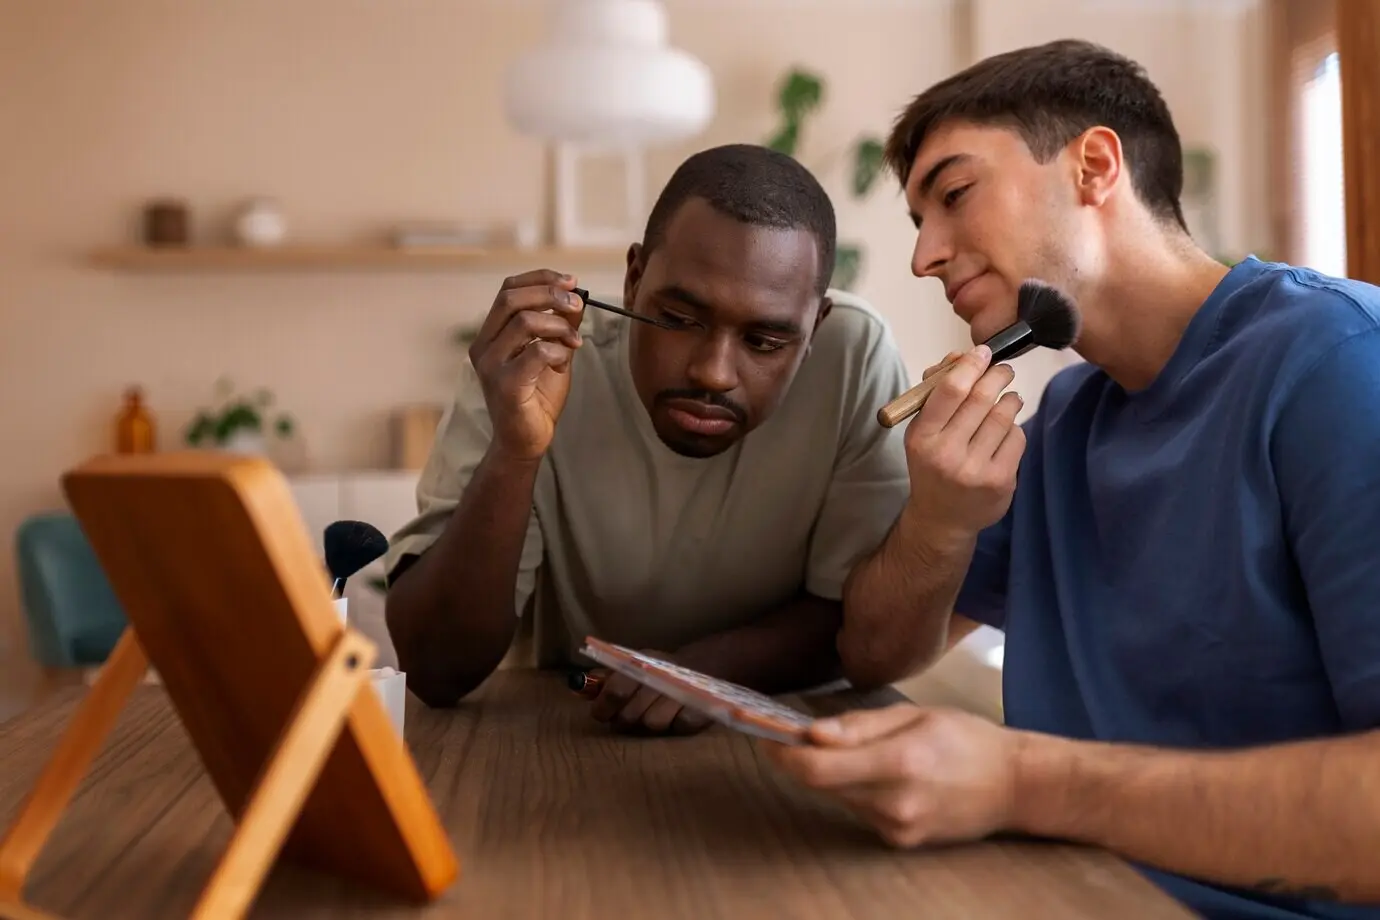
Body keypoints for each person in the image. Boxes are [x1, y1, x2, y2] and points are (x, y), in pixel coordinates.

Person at [763, 39, 1380, 920]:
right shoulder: (1065, 422)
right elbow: (874, 654)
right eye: (918, 221)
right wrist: (939, 520)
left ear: (1094, 167)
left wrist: (1020, 782)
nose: (924, 257)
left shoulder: (1341, 366)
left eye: (954, 194)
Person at [383, 143, 913, 736]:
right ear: (634, 280)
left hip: (794, 735)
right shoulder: (534, 365)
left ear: (816, 328)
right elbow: (436, 667)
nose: (713, 373)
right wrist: (515, 452)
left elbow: (859, 622)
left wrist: (705, 672)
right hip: (566, 733)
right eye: (679, 320)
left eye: (764, 342)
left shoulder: (855, 358)